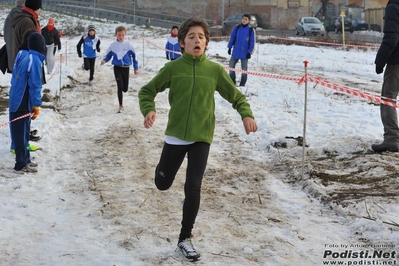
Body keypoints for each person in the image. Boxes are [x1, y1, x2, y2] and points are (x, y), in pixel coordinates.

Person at [138, 17, 258, 261]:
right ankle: (161, 170)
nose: (197, 40)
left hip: (201, 137)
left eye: (201, 37)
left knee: (193, 186)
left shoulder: (214, 71)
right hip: (175, 136)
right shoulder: (173, 68)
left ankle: (185, 238)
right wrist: (149, 109)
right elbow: (147, 91)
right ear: (182, 43)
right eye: (191, 36)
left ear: (206, 43)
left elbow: (236, 97)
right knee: (162, 184)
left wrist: (246, 115)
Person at [9, 32, 46, 173]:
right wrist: (37, 104)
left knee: (24, 133)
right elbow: (35, 85)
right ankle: (20, 164)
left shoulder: (26, 56)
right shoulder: (34, 60)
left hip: (18, 100)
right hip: (21, 102)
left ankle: (26, 159)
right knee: (20, 133)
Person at [373, 0, 399, 152]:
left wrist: (380, 61)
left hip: (397, 63)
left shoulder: (393, 7)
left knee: (388, 99)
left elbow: (391, 38)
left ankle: (391, 139)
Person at [101, 26, 139, 113]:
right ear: (116, 35)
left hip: (126, 68)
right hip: (117, 68)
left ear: (125, 35)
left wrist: (136, 68)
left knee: (125, 89)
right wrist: (104, 60)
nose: (120, 37)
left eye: (122, 35)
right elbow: (108, 55)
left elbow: (134, 57)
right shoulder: (113, 45)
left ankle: (123, 90)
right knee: (120, 86)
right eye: (119, 35)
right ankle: (121, 105)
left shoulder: (128, 45)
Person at [227, 14, 255, 87]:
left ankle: (242, 84)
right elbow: (232, 37)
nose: (244, 20)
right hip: (235, 51)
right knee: (231, 67)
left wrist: (249, 52)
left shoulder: (251, 30)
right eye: (243, 18)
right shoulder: (237, 28)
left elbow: (252, 42)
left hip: (244, 53)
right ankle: (232, 82)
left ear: (248, 21)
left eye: (246, 19)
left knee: (244, 70)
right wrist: (229, 47)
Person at [3, 0, 25, 73]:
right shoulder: (24, 17)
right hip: (21, 50)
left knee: (14, 72)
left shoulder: (9, 16)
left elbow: (5, 34)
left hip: (10, 48)